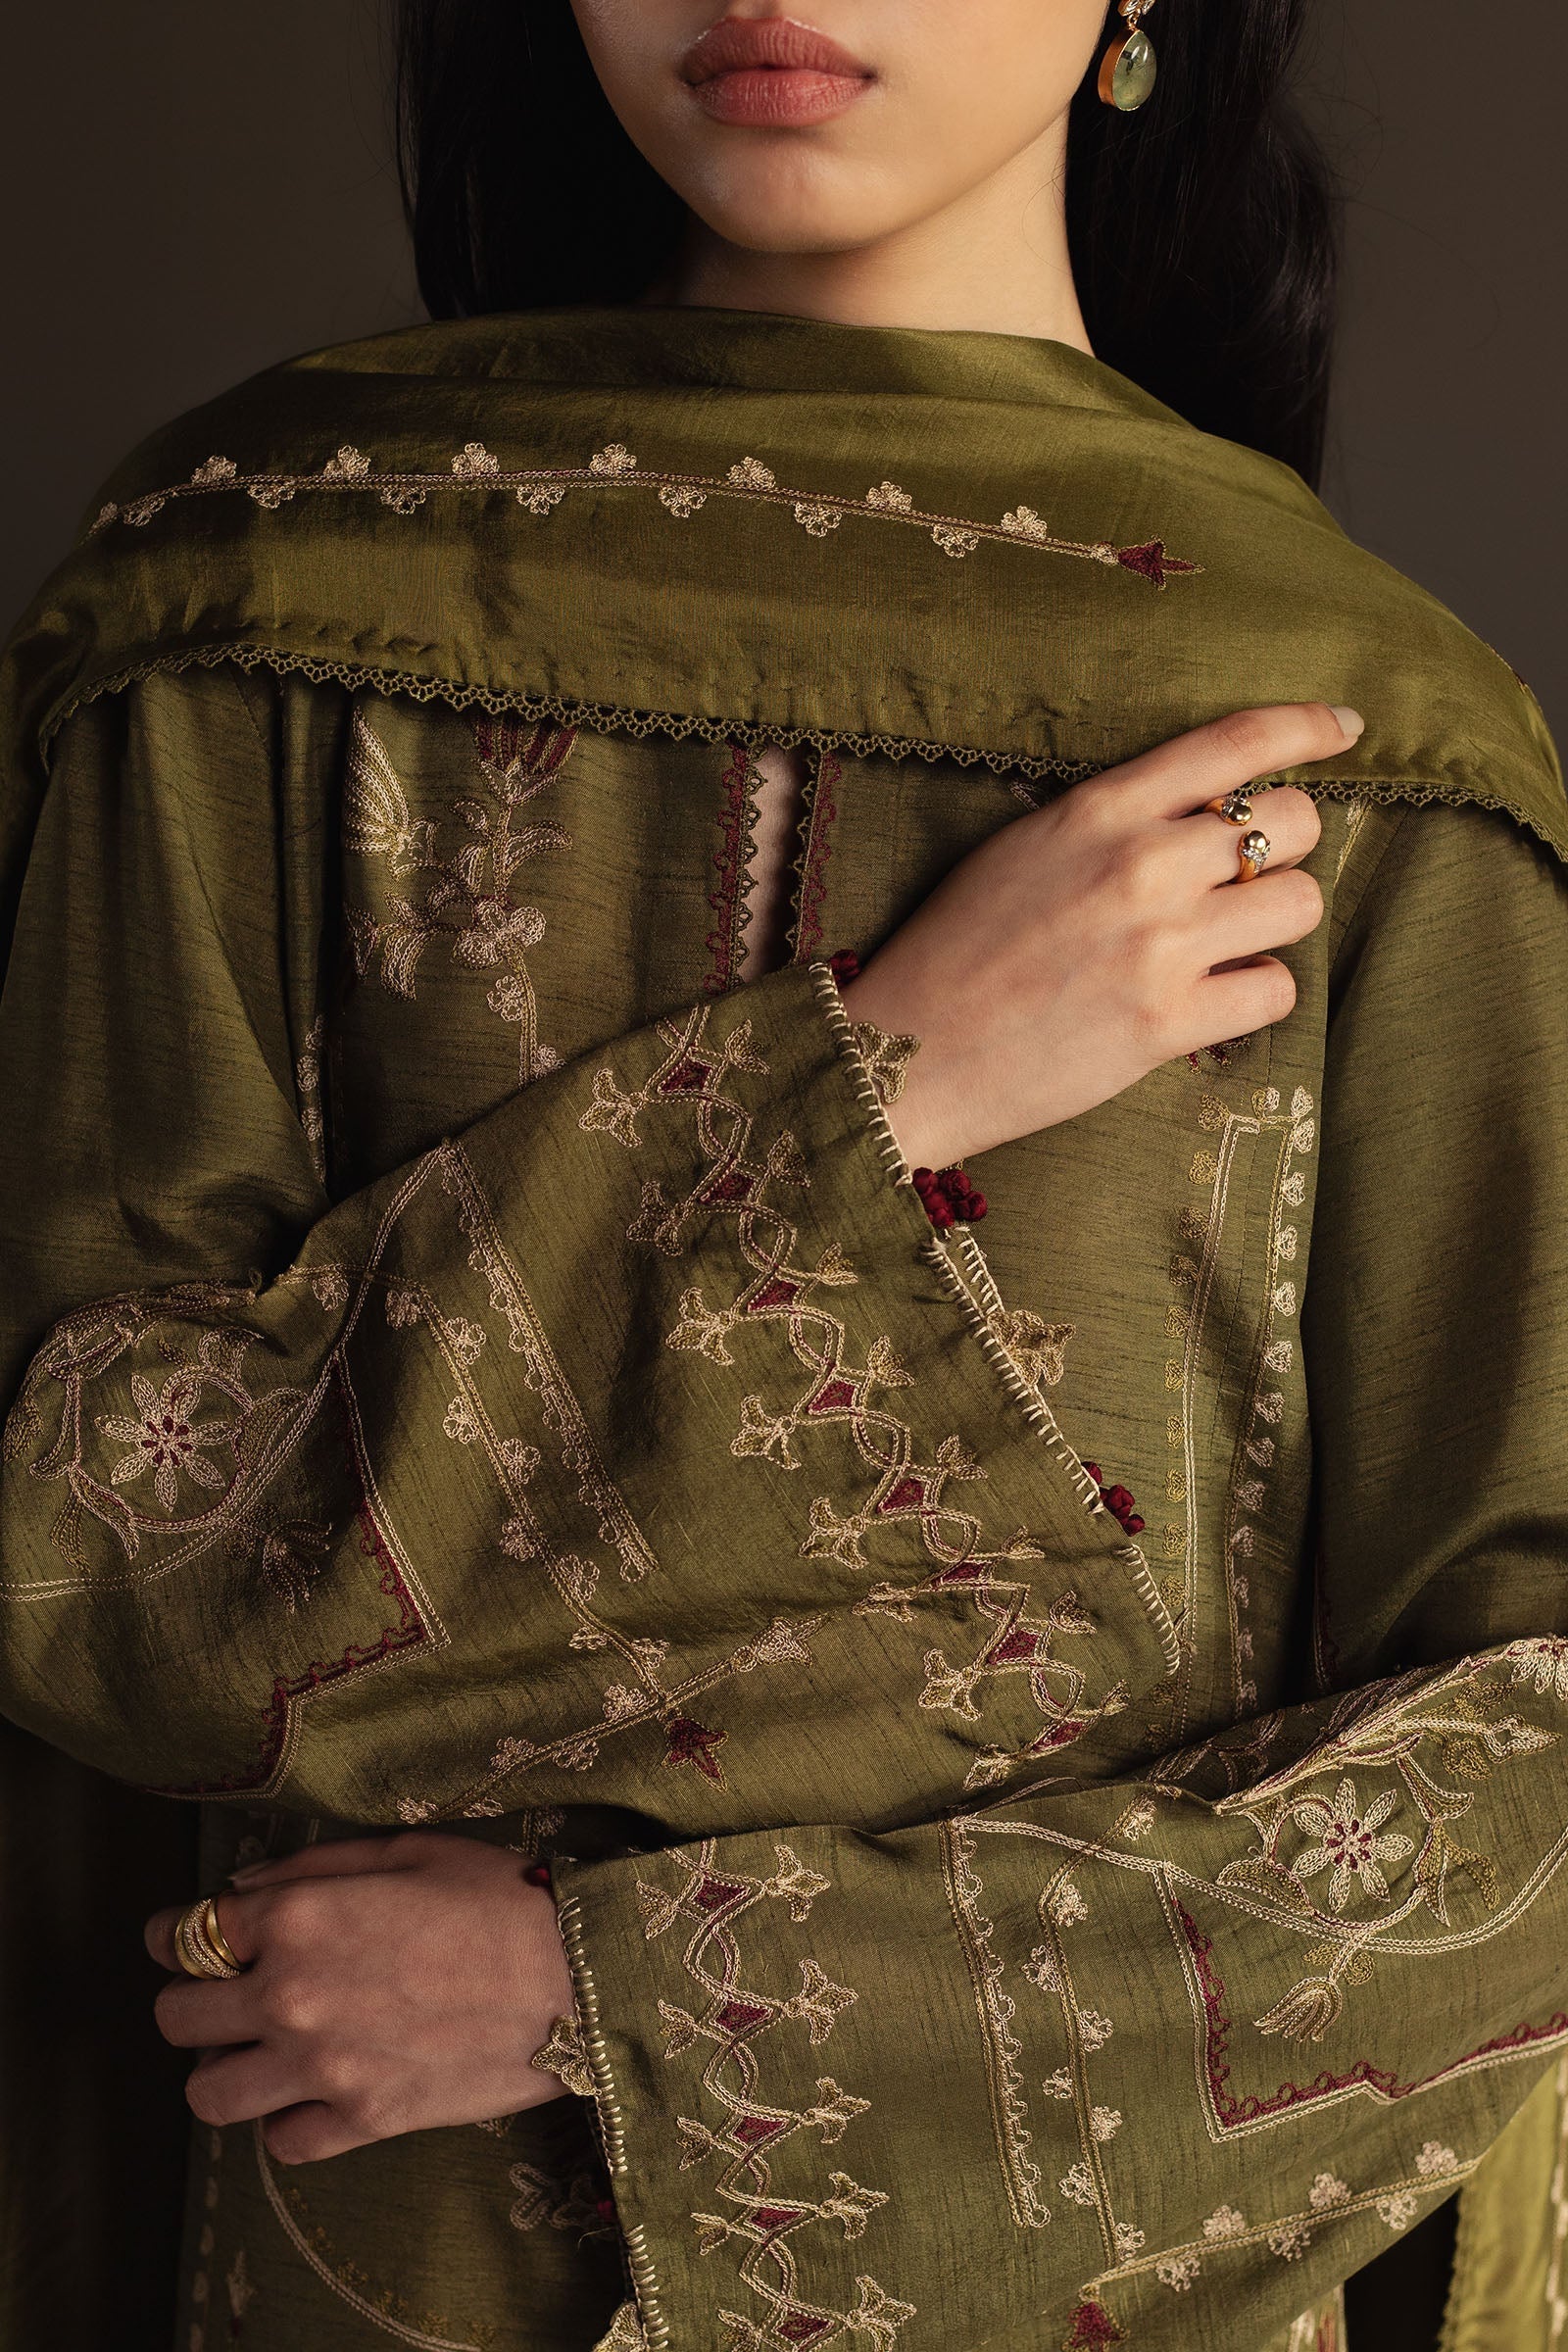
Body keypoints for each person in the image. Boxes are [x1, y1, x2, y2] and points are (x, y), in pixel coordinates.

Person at [1, 4, 1564, 2349]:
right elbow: (89, 1553)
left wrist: (621, 2003)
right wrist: (876, 1089)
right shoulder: (246, 620)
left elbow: (1522, 1796)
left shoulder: (1368, 758)